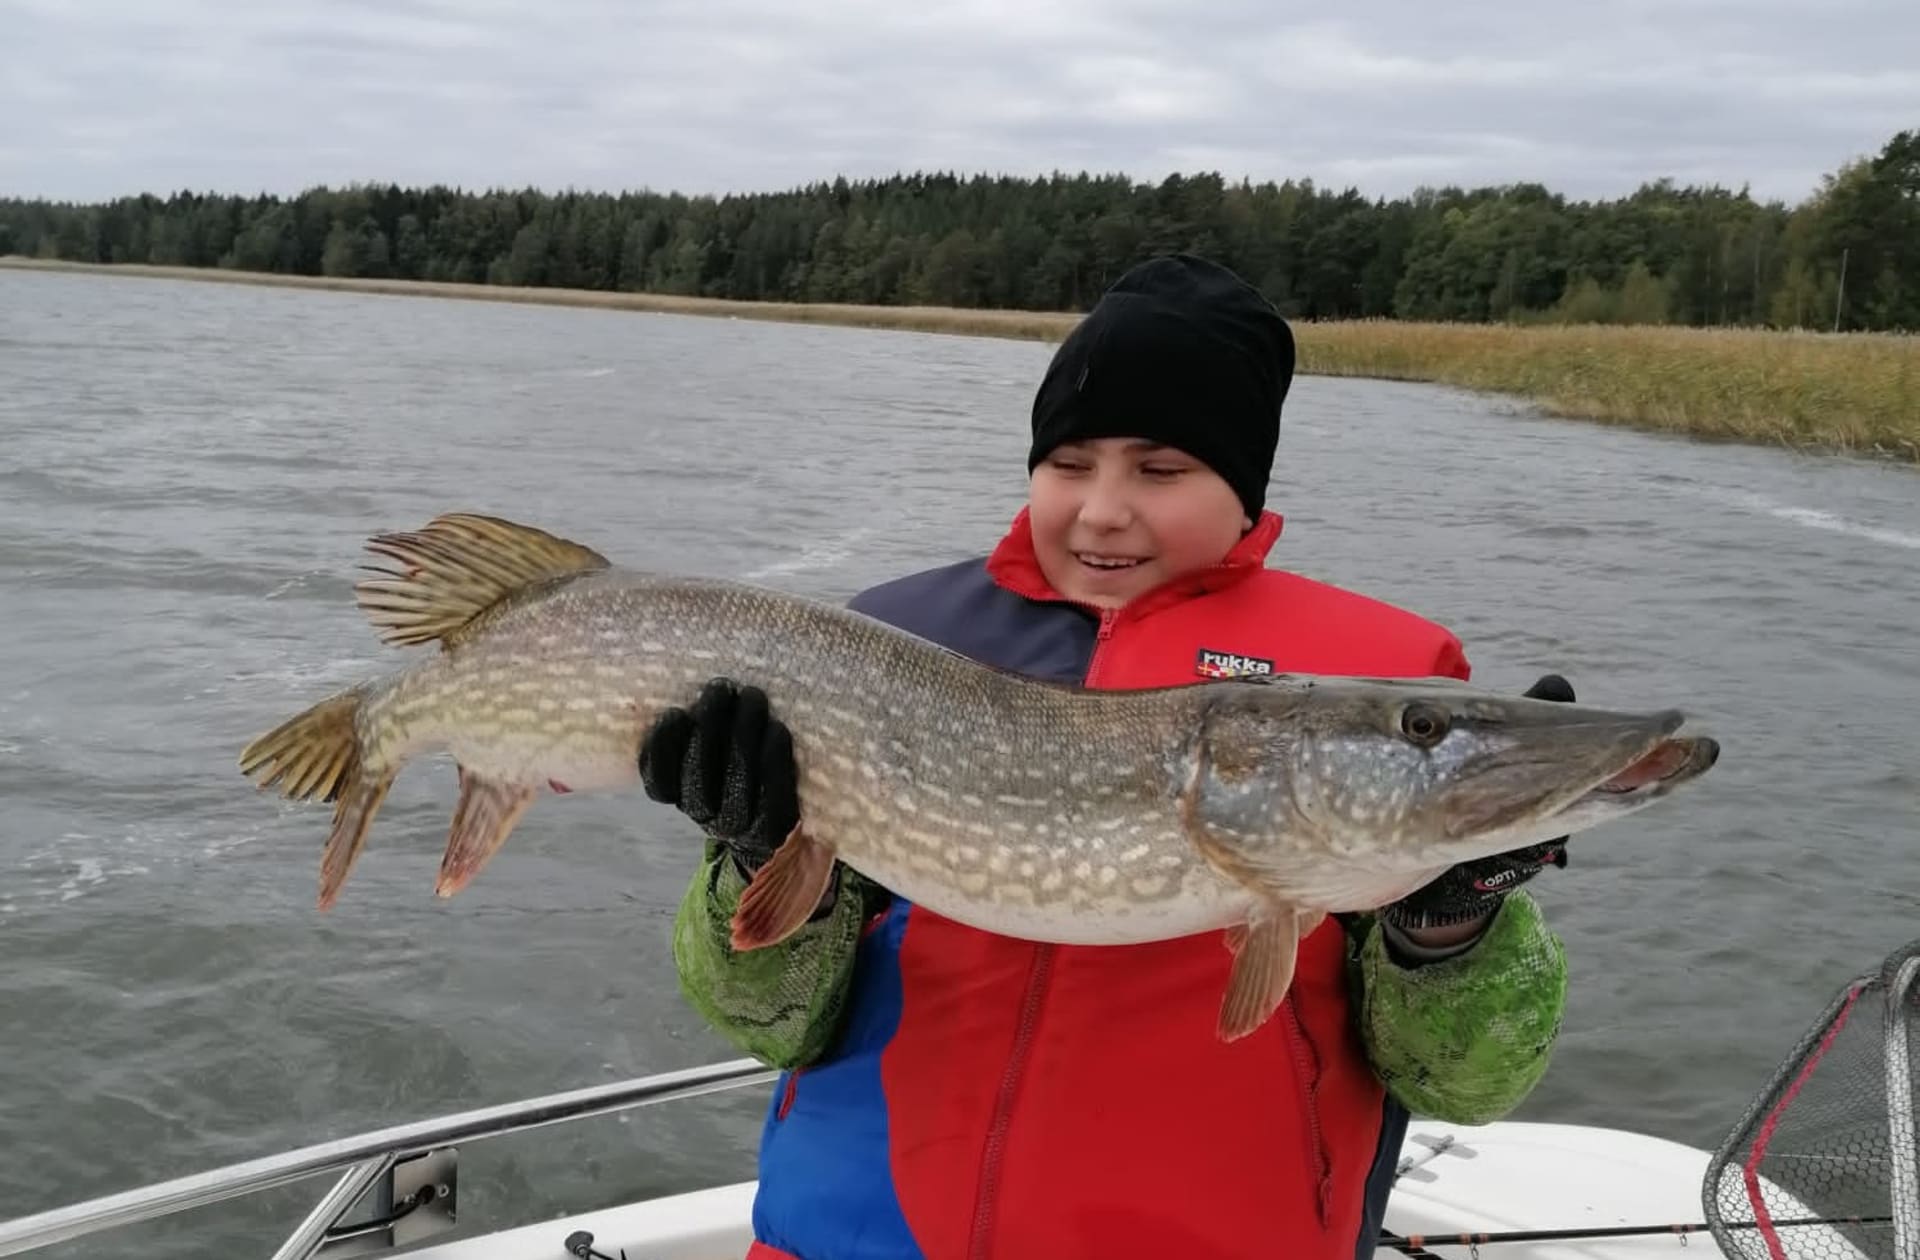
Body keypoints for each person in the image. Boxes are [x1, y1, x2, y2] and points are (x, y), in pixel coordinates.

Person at [641, 254, 1575, 1260]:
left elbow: (1466, 1081)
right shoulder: (889, 643)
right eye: (1070, 462)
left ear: (1242, 486)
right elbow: (767, 1022)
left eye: (1161, 469)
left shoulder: (1382, 686)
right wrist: (751, 856)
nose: (1101, 509)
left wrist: (1451, 928)